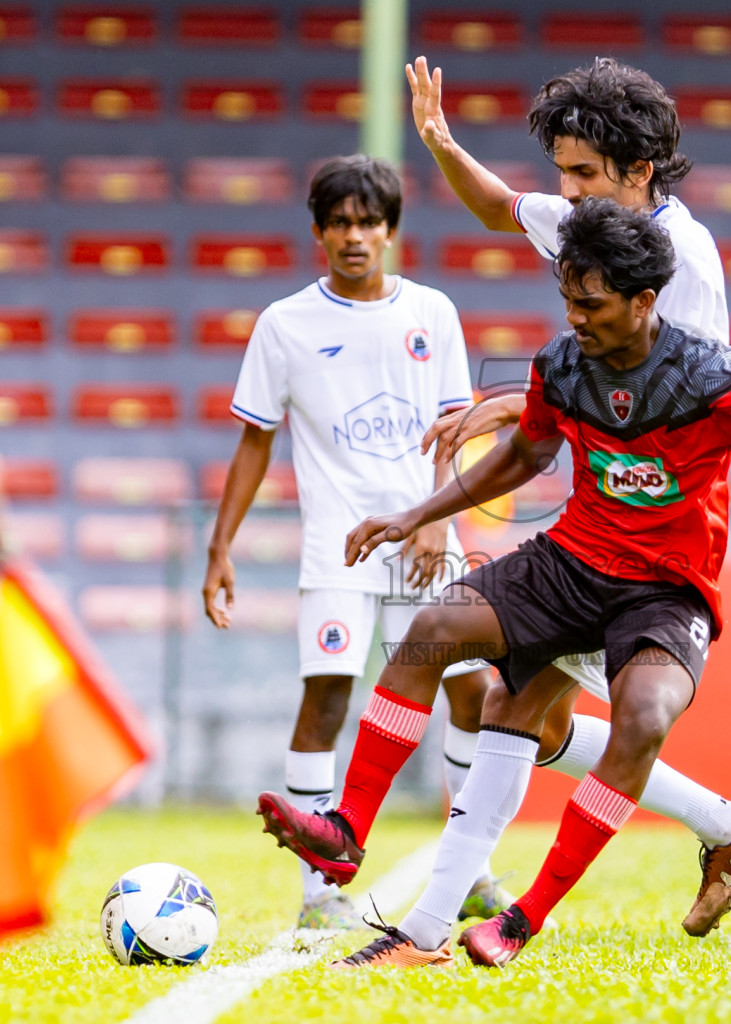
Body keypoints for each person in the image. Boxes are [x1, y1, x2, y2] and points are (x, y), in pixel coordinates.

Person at [261, 198, 731, 968]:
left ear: (643, 301)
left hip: (665, 589)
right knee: (436, 631)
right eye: (567, 299)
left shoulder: (717, 377)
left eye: (590, 304)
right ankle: (346, 829)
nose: (575, 317)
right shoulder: (561, 366)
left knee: (640, 717)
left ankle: (521, 919)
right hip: (570, 562)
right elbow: (525, 457)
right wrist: (417, 514)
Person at [403, 54, 731, 936]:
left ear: (639, 171)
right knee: (522, 708)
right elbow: (499, 207)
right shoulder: (589, 222)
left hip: (661, 520)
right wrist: (441, 142)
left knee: (514, 706)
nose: (563, 193)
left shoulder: (683, 260)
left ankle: (426, 928)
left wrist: (516, 403)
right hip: (600, 511)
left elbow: (658, 394)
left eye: (581, 174)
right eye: (561, 173)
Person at [204, 156, 512, 928]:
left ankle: (468, 865)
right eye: (339, 222)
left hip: (423, 542)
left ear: (390, 232)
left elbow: (455, 428)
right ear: (318, 232)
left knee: (471, 693)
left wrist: (439, 518)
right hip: (337, 549)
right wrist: (220, 548)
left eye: (368, 222)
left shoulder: (432, 313)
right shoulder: (285, 325)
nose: (354, 236)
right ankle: (318, 893)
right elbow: (254, 442)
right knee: (329, 693)